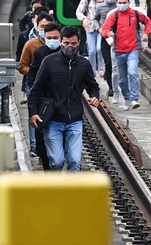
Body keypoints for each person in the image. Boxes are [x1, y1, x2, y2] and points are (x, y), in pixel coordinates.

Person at [28, 26, 100, 171]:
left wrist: (94, 96)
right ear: (61, 42)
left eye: (73, 44)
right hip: (53, 119)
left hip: (75, 120)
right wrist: (33, 112)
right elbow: (36, 89)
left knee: (74, 161)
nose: (70, 47)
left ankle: (72, 193)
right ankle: (56, 190)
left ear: (79, 42)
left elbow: (93, 85)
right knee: (56, 161)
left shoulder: (83, 64)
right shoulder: (49, 62)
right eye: (66, 43)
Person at [101, 0, 151, 110]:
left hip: (132, 49)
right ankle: (127, 99)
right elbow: (105, 29)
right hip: (118, 51)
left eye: (124, 2)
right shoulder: (114, 15)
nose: (122, 5)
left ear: (129, 2)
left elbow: (148, 22)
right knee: (123, 79)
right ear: (116, 3)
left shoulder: (136, 14)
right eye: (120, 3)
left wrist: (146, 33)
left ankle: (134, 98)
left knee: (133, 72)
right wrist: (108, 33)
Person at [26, 22, 62, 170]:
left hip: (61, 101)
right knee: (41, 133)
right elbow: (32, 74)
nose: (52, 40)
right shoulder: (40, 53)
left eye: (55, 37)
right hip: (44, 101)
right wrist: (35, 92)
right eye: (49, 37)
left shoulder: (67, 52)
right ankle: (44, 161)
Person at [18, 13, 55, 156]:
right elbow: (22, 66)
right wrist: (38, 73)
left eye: (47, 26)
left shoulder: (59, 46)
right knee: (34, 111)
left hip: (52, 85)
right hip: (33, 84)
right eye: (42, 26)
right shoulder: (31, 45)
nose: (44, 29)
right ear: (37, 27)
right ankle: (34, 145)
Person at [94, 0, 119, 100]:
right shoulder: (100, 7)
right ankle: (111, 88)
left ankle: (118, 86)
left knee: (117, 65)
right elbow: (95, 19)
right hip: (105, 38)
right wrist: (99, 28)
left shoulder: (117, 8)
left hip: (118, 38)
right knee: (108, 63)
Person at [76, 0, 104, 76]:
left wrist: (103, 2)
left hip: (101, 27)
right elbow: (79, 12)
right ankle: (92, 69)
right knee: (91, 50)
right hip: (90, 27)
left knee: (99, 48)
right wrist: (84, 19)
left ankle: (101, 67)